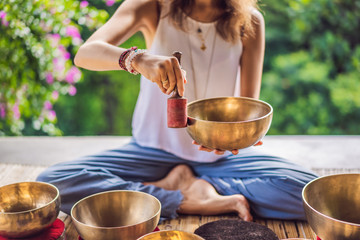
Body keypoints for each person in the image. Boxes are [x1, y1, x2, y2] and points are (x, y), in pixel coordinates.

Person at [37, 0, 317, 221]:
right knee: (53, 183)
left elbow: (247, 107)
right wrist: (137, 59)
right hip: (151, 150)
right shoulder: (152, 6)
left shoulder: (250, 20)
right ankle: (181, 194)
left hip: (220, 160)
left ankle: (201, 189)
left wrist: (237, 136)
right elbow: (86, 53)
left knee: (313, 194)